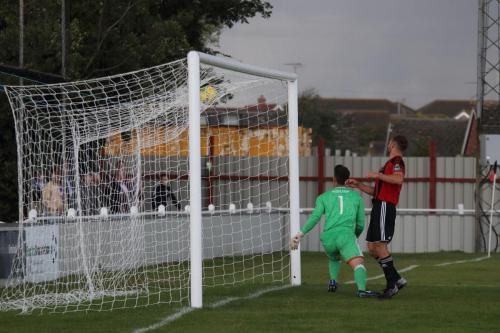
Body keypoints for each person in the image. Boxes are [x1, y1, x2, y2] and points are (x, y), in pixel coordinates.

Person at [291, 165, 378, 298]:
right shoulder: (357, 198)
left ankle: (333, 281)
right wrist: (353, 237)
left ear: (334, 179)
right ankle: (361, 290)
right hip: (346, 235)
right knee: (358, 264)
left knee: (334, 257)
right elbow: (360, 224)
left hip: (328, 238)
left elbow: (315, 217)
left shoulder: (323, 197)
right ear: (347, 180)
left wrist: (300, 234)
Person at [346, 135, 408, 299]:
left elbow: (398, 179)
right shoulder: (388, 164)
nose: (388, 145)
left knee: (380, 246)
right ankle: (397, 279)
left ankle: (391, 285)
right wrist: (358, 185)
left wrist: (377, 175)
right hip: (379, 205)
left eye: (389, 142)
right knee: (372, 248)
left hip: (385, 206)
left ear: (393, 144)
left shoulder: (396, 162)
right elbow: (376, 192)